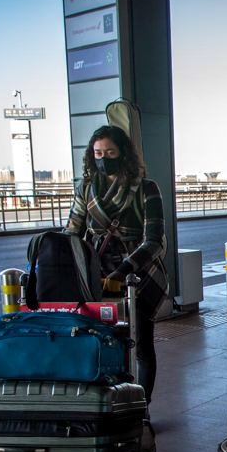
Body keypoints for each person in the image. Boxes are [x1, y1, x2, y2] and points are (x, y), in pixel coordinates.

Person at [65, 125, 169, 406]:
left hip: (137, 273)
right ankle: (104, 404)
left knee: (141, 345)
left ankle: (141, 407)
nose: (103, 158)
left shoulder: (146, 189)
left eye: (110, 152)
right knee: (98, 341)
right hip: (95, 273)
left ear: (123, 153)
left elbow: (155, 241)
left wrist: (123, 271)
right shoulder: (86, 188)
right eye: (98, 152)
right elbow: (72, 233)